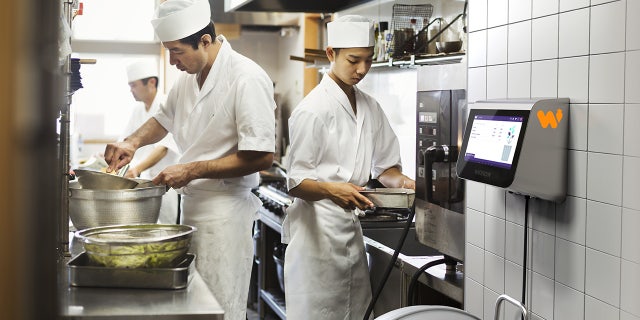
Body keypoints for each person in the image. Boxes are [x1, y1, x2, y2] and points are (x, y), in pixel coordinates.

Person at [103, 1, 276, 319]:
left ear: (206, 41)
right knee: (197, 308)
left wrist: (192, 169)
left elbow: (262, 155)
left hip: (226, 216)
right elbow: (163, 118)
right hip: (193, 211)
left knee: (220, 309)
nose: (172, 61)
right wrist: (132, 142)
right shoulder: (187, 79)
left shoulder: (246, 78)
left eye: (177, 51)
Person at [282, 15, 416, 319]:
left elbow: (385, 168)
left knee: (355, 313)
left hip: (350, 237)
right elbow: (296, 182)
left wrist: (403, 182)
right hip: (315, 238)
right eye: (354, 60)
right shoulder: (312, 110)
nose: (362, 69)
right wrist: (332, 190)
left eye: (368, 60)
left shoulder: (370, 106)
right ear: (331, 54)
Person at [121, 60, 180, 224]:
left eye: (134, 85)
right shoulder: (137, 110)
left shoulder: (166, 104)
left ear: (151, 82)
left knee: (163, 235)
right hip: (140, 181)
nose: (131, 90)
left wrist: (136, 169)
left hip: (163, 183)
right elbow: (126, 140)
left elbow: (163, 148)